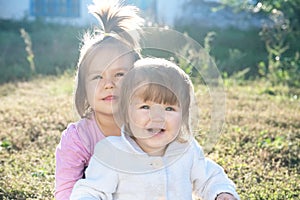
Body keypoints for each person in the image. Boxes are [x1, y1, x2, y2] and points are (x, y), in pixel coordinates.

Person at [70, 58, 240, 200]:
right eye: (145, 107)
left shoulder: (186, 150)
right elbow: (91, 190)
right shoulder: (112, 152)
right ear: (126, 113)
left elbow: (210, 178)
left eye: (169, 109)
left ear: (183, 116)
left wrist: (221, 193)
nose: (157, 117)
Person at [54, 0, 144, 199]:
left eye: (119, 74)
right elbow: (65, 191)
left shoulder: (148, 125)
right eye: (97, 77)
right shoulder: (79, 139)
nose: (109, 84)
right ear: (83, 90)